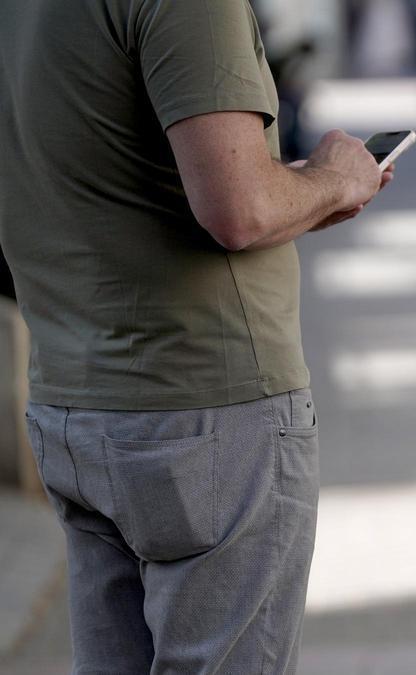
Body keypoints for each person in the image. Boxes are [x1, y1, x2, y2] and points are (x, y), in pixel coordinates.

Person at [0, 0, 389, 671]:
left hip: (74, 396)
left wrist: (300, 197)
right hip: (206, 406)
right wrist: (334, 177)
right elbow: (240, 210)